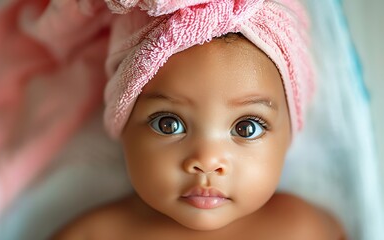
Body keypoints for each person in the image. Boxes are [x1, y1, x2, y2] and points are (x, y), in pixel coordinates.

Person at [52, 0, 346, 238]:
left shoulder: (304, 229)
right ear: (122, 125)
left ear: (288, 137)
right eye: (169, 124)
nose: (207, 160)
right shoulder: (94, 234)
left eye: (246, 128)